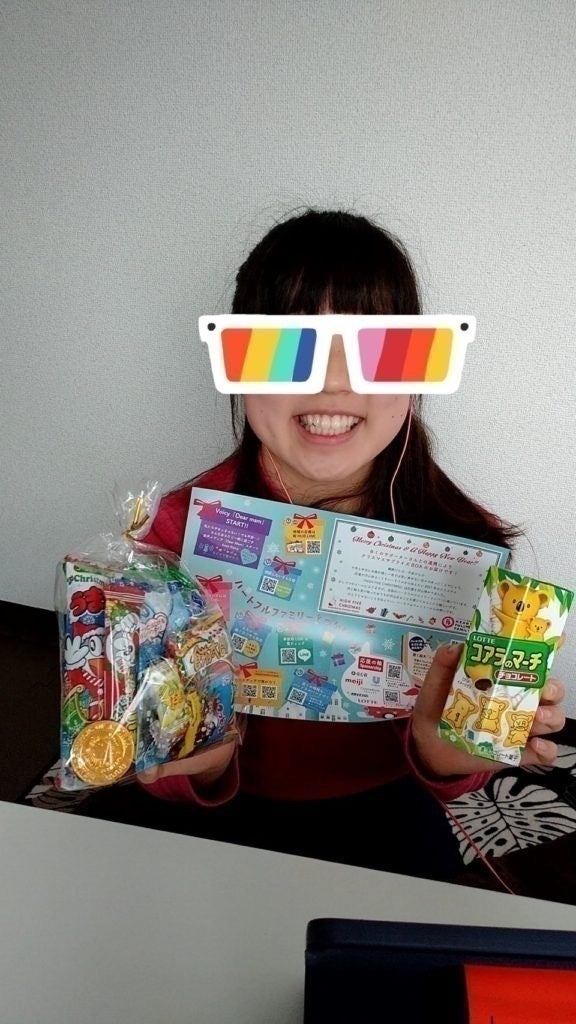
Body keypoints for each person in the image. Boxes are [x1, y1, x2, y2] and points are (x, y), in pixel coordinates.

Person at [131, 209, 565, 880]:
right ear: (236, 365)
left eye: (380, 351)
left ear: (418, 370)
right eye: (286, 350)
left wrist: (449, 750)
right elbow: (158, 761)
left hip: (387, 807)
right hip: (219, 814)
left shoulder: (466, 550)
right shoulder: (172, 533)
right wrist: (195, 762)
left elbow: (457, 773)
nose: (333, 383)